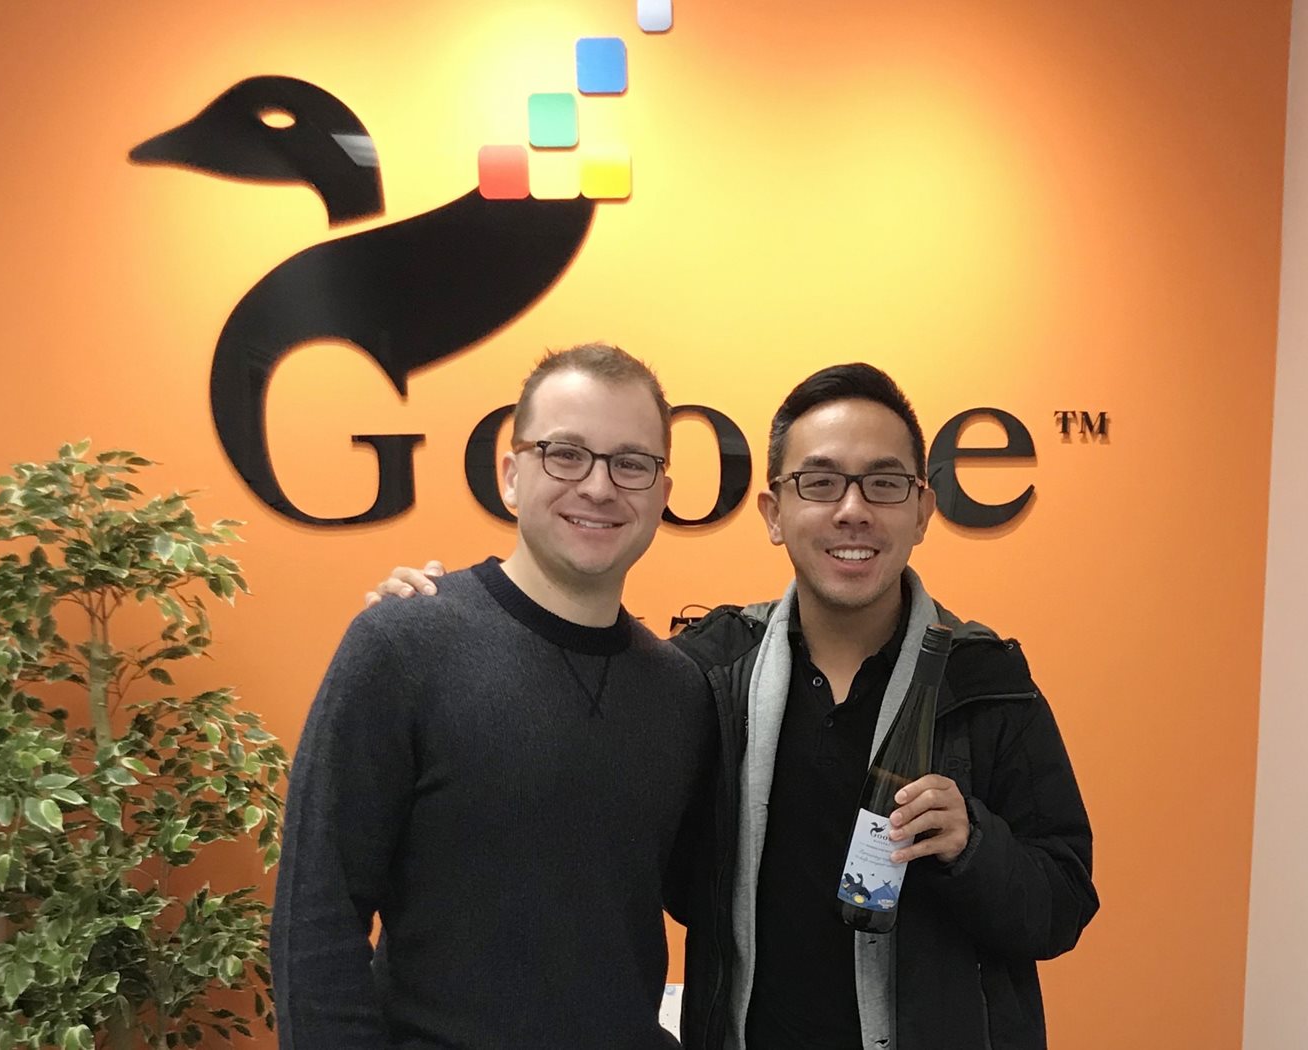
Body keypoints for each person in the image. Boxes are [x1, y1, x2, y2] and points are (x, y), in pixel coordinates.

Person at [369, 363, 1099, 1050]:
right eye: (820, 482)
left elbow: (1061, 904)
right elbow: (574, 751)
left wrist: (974, 847)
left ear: (922, 511)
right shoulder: (708, 673)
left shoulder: (986, 683)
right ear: (774, 513)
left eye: (883, 484)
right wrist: (446, 618)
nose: (852, 510)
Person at [273, 343, 714, 1050]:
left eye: (631, 463)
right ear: (512, 475)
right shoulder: (403, 645)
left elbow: (704, 895)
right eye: (565, 453)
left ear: (661, 494)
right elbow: (317, 918)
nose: (599, 487)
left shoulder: (679, 690)